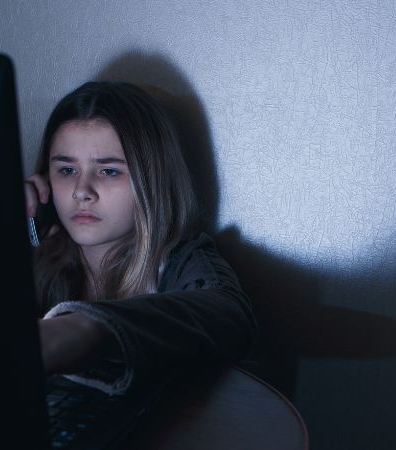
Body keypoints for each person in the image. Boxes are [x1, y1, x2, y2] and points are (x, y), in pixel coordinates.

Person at [23, 81, 257, 395]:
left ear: (151, 181)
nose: (82, 191)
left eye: (108, 171)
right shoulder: (39, 256)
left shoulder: (181, 260)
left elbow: (230, 315)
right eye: (66, 170)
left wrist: (89, 327)